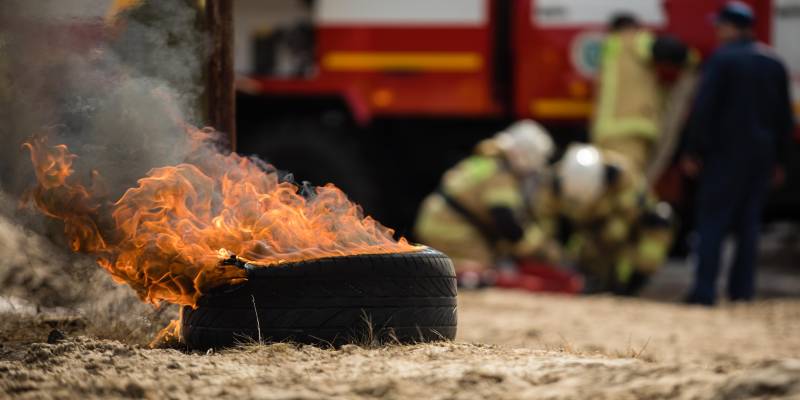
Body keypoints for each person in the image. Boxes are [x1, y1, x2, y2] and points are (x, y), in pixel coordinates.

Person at [682, 2, 795, 305]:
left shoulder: (722, 61)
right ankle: (741, 293)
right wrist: (781, 160)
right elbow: (784, 118)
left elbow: (704, 110)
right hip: (761, 156)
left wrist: (693, 149)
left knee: (713, 222)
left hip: (724, 155)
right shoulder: (774, 63)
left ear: (733, 27)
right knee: (749, 225)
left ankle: (704, 292)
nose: (717, 32)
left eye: (720, 26)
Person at [414, 120, 558, 285]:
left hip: (435, 222)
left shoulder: (487, 162)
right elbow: (508, 224)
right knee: (484, 273)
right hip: (453, 230)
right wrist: (542, 250)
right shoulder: (501, 173)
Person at [539, 143, 673, 294]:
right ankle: (589, 276)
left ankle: (633, 284)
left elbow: (633, 214)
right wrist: (554, 255)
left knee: (659, 221)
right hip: (589, 231)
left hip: (625, 228)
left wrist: (609, 234)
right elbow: (544, 223)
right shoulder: (554, 181)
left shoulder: (623, 174)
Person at [592, 13, 694, 171]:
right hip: (632, 128)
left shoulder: (611, 49)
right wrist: (692, 57)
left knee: (611, 184)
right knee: (629, 184)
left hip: (605, 132)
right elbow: (668, 50)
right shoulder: (634, 40)